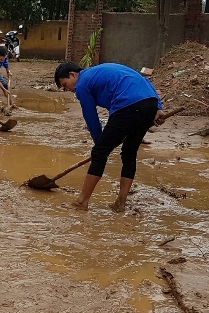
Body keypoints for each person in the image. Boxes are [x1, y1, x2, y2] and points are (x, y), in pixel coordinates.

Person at [54, 62, 166, 212]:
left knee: (100, 152)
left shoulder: (81, 85)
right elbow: (145, 80)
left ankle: (81, 202)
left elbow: (91, 117)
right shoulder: (98, 72)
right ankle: (120, 203)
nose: (69, 90)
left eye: (65, 84)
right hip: (149, 103)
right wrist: (158, 107)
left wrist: (99, 145)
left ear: (73, 75)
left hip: (127, 104)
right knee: (129, 152)